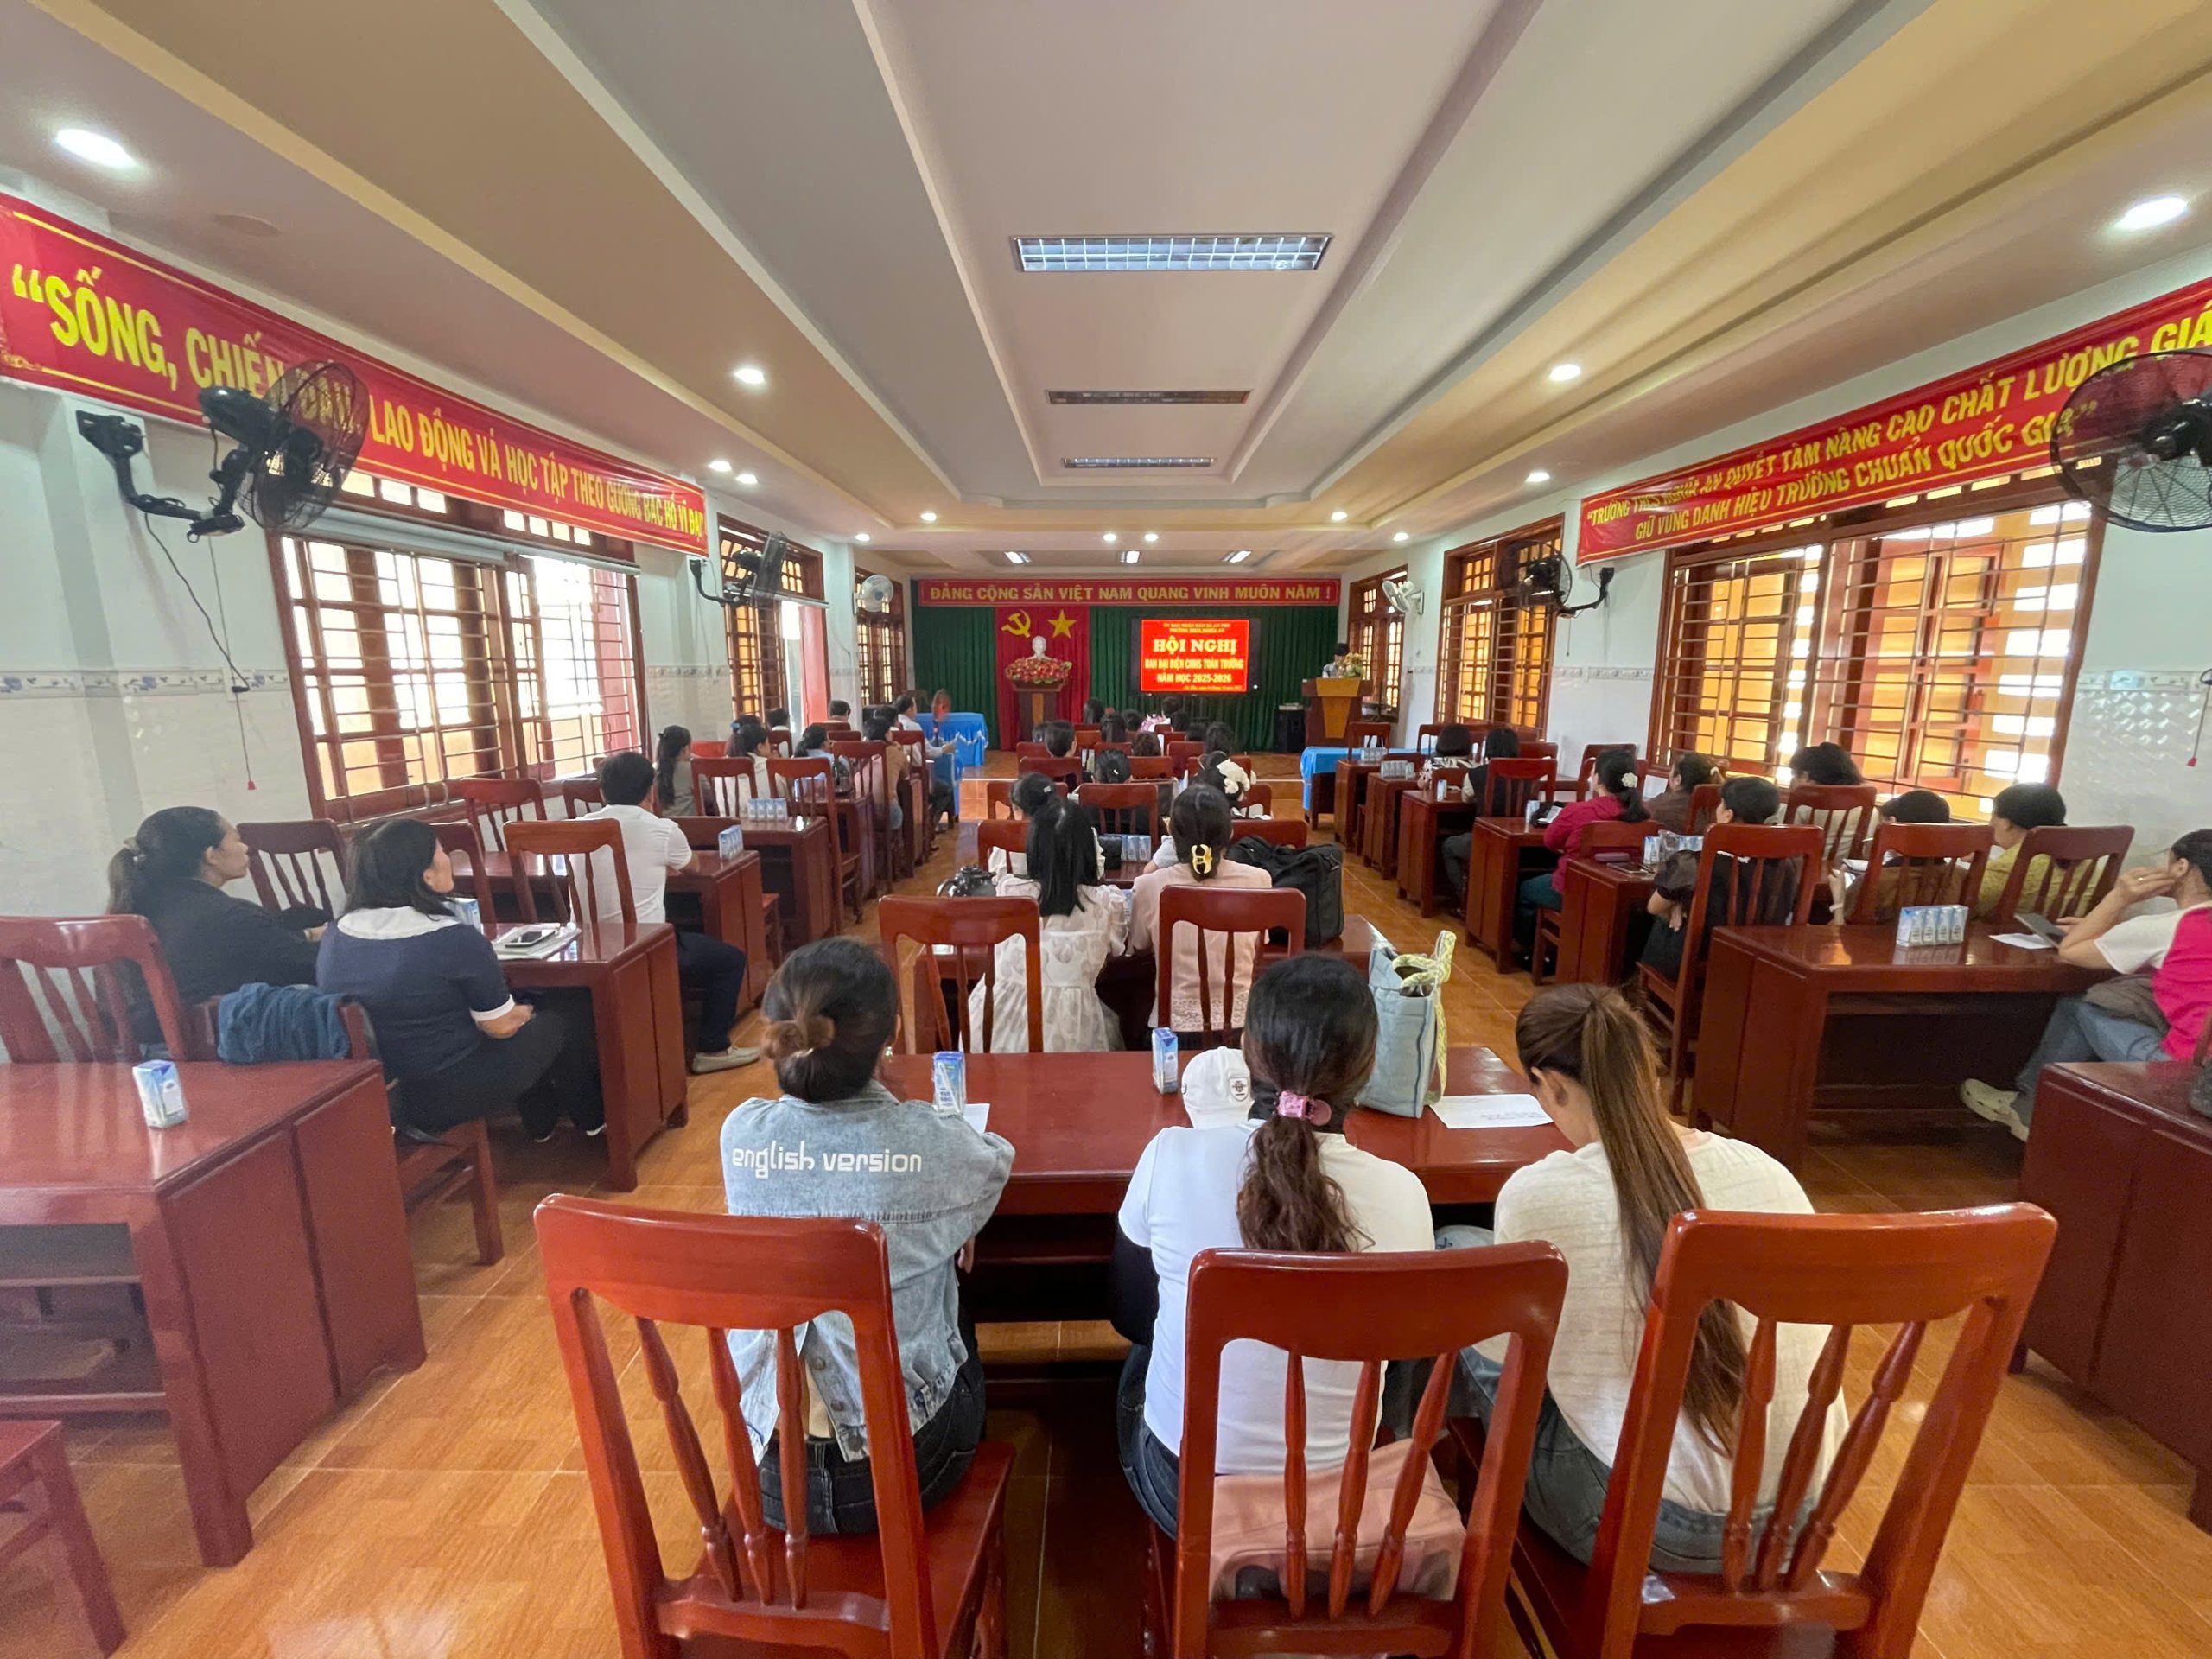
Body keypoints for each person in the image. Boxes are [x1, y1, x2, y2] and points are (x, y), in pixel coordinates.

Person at [1437, 982, 1841, 1570]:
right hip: (1798, 1517)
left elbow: (1509, 1366)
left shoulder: (1541, 1191)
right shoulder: (1767, 1172)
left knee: (1454, 1254)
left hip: (1652, 1525)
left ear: (1550, 1085)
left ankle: (1418, 1493)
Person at [1111, 953, 1433, 1533]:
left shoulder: (1171, 1155)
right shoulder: (1404, 1194)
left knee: (1145, 1351)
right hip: (1336, 1503)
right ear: (1367, 1069)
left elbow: (1131, 1315)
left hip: (1188, 1495)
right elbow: (1406, 1351)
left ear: (1248, 1052)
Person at [719, 938, 1012, 1534]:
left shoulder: (741, 1134)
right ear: (890, 1035)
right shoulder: (928, 1143)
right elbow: (993, 1161)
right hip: (905, 1468)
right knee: (955, 1287)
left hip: (772, 1478)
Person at [316, 817, 598, 1137]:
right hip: (448, 1091)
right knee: (563, 1014)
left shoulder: (336, 934)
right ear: (426, 875)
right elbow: (501, 1027)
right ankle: (590, 1119)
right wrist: (524, 1012)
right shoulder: (451, 938)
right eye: (441, 851)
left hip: (379, 1093)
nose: (448, 858)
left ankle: (541, 1123)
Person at [1961, 830, 2212, 1138]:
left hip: (2188, 1072)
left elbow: (2071, 952)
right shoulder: (2166, 930)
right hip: (2205, 1071)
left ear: (2181, 868)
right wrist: (2115, 930)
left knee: (2079, 1006)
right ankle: (2065, 1110)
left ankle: (2029, 1107)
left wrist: (2120, 896)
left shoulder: (2168, 927)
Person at [590, 753, 760, 1072]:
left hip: (589, 946)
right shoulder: (662, 829)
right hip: (643, 947)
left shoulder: (573, 829)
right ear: (651, 791)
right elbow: (693, 866)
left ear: (602, 792)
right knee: (730, 960)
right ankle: (713, 1048)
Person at [108, 806, 320, 1045]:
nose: (246, 848)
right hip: (210, 1050)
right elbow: (317, 966)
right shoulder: (230, 916)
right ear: (211, 855)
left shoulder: (134, 909)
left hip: (143, 1049)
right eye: (236, 840)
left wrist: (308, 934)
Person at [970, 798, 1128, 1052]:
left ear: (1033, 848)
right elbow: (1118, 950)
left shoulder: (1008, 891)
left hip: (993, 1033)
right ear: (1089, 850)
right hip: (1073, 1036)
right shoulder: (1105, 904)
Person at [1128, 786, 1273, 1032]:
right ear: (1230, 832)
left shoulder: (1148, 886)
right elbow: (1260, 942)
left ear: (1171, 833)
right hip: (1244, 1030)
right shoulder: (1259, 880)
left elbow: (1138, 946)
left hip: (1172, 1031)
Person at [1639, 776, 1801, 982]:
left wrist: (1676, 905)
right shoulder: (1786, 865)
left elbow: (1654, 907)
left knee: (1659, 921)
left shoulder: (1695, 863)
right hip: (1761, 959)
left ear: (1727, 815)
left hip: (1701, 958)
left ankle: (1644, 989)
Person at [1522, 748, 1647, 943]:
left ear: (1597, 779)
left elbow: (1550, 841)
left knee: (1526, 889)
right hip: (1617, 894)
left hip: (1574, 890)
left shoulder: (1580, 811)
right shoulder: (1643, 816)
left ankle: (1529, 949)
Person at [1439, 728, 1525, 904]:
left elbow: (1466, 798)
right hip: (1519, 842)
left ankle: (1466, 899)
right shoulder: (1531, 773)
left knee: (1449, 846)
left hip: (1487, 841)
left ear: (1488, 749)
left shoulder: (1476, 773)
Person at [1973, 783, 2068, 916]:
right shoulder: (2081, 856)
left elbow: (1972, 906)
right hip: (2073, 928)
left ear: (2006, 823)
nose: (1990, 823)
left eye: (1993, 815)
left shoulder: (2010, 863)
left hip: (2015, 929)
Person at [1644, 753, 1715, 834]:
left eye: (1671, 771)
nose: (1669, 774)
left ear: (1678, 779)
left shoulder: (1659, 805)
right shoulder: (1714, 809)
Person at [653, 725, 697, 817]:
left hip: (662, 822)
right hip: (691, 823)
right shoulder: (693, 769)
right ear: (685, 749)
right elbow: (708, 798)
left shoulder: (654, 769)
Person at [1789, 742, 1863, 785]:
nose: (1791, 782)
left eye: (1794, 774)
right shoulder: (1863, 803)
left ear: (1807, 778)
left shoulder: (1802, 807)